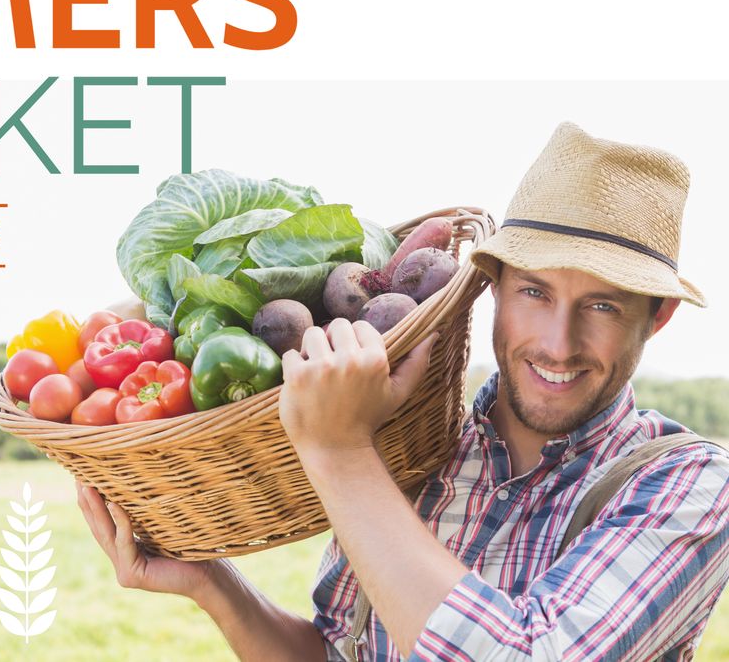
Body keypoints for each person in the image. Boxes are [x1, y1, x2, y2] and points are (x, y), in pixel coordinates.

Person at [76, 122, 729, 661]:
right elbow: (339, 653)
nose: (558, 343)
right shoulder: (417, 446)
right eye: (535, 292)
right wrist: (212, 582)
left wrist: (339, 452)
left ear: (657, 318)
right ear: (493, 285)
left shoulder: (688, 483)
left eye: (604, 308)